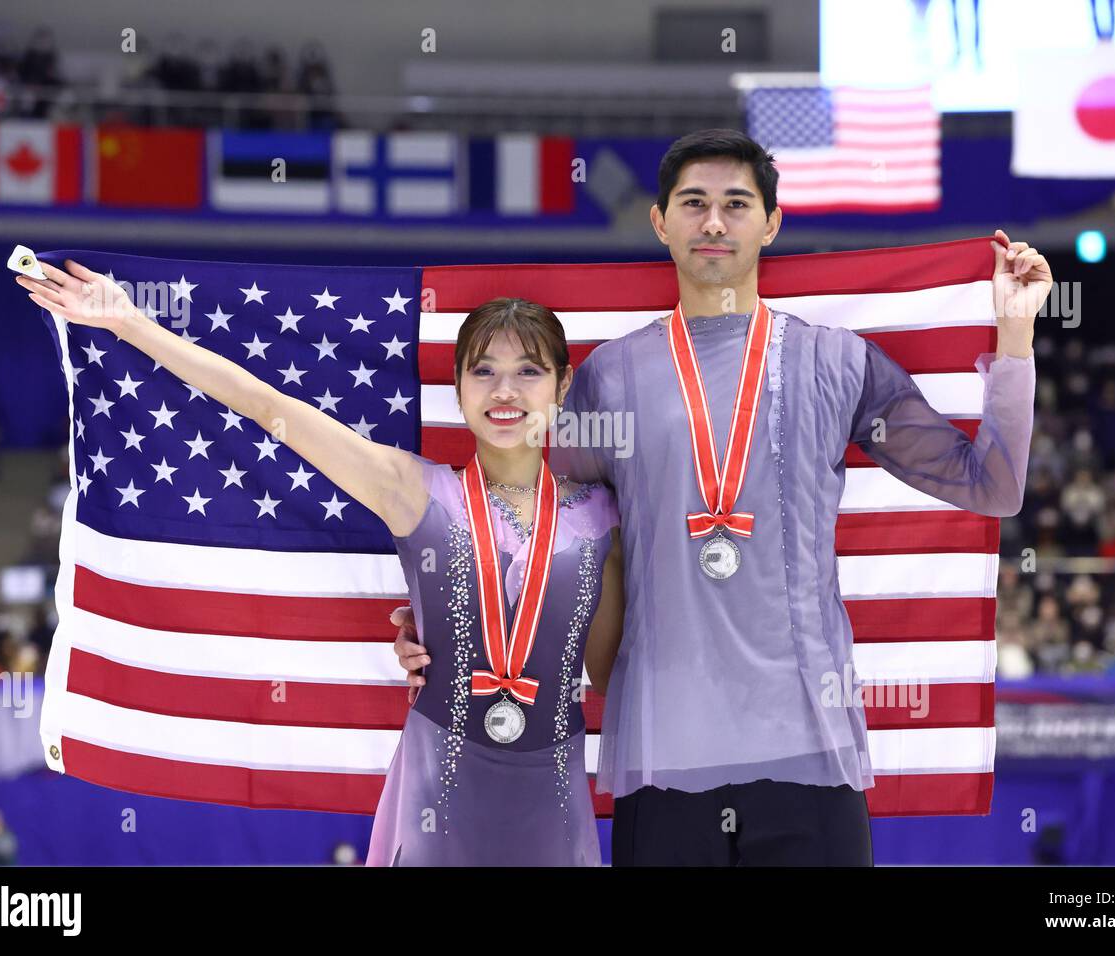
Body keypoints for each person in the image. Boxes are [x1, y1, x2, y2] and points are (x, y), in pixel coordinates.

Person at [393, 128, 1048, 866]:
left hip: (810, 752)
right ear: (659, 222)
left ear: (771, 222)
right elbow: (529, 523)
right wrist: (442, 627)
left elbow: (991, 485)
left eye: (736, 204)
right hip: (666, 759)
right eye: (694, 203)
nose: (713, 222)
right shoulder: (611, 379)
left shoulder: (838, 364)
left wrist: (1017, 333)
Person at [14, 269, 624, 866]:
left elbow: (605, 671)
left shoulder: (601, 516)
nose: (505, 392)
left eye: (529, 372)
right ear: (459, 388)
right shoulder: (412, 490)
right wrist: (124, 319)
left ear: (562, 386)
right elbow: (264, 403)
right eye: (483, 371)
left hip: (555, 799)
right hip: (441, 793)